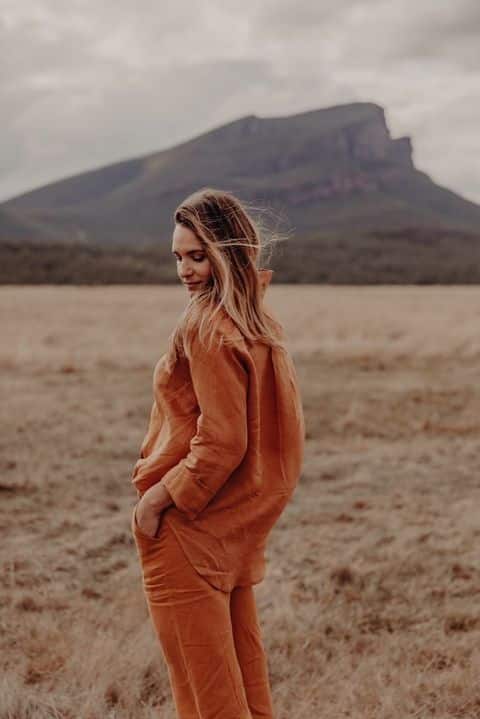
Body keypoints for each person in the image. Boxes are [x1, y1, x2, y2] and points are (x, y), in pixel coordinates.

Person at [130, 187, 305, 719]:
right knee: (244, 688)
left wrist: (159, 501)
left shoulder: (206, 327)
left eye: (198, 255)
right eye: (178, 257)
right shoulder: (257, 326)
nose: (185, 269)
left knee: (205, 697)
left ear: (227, 253)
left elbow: (225, 439)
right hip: (233, 529)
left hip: (190, 529)